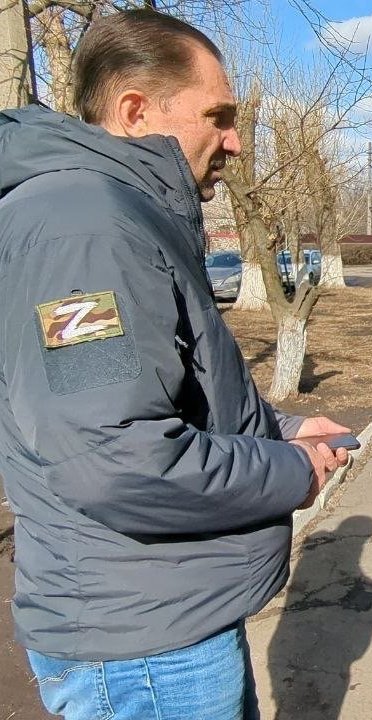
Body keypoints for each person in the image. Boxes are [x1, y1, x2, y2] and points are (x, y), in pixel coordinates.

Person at [0, 10, 350, 719]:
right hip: (144, 652)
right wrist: (293, 471)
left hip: (161, 622)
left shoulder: (112, 214)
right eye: (218, 117)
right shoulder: (83, 226)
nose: (237, 143)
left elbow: (163, 393)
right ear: (135, 111)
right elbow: (115, 458)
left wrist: (277, 428)